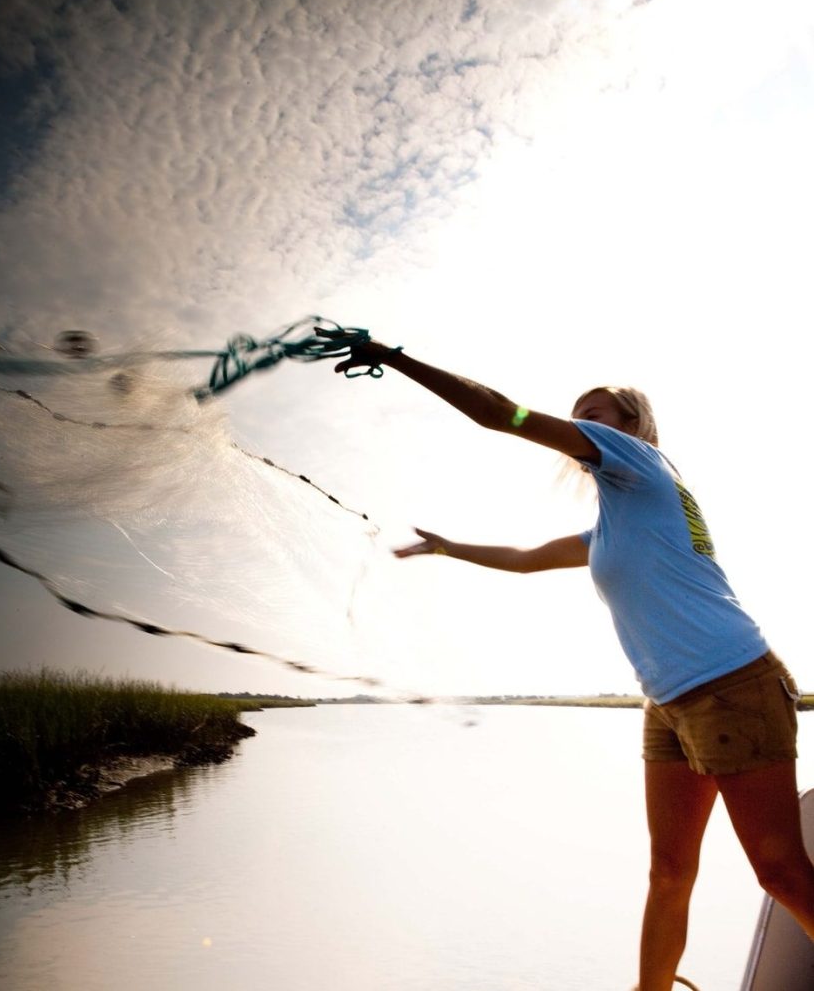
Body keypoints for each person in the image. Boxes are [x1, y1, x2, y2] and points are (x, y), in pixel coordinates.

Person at [333, 340, 814, 991]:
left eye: (596, 414)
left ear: (631, 427)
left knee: (779, 872)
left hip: (730, 683)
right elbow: (526, 557)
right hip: (666, 705)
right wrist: (448, 548)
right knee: (667, 873)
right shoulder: (613, 524)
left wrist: (392, 357)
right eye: (578, 414)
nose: (582, 423)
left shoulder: (639, 462)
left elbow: (500, 413)